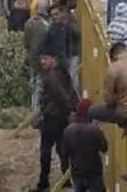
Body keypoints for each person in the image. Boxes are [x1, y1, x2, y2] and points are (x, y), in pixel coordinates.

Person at [36, 52, 78, 192]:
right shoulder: (63, 72)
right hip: (62, 118)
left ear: (53, 59)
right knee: (62, 149)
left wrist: (69, 111)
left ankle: (44, 182)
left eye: (45, 58)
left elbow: (60, 96)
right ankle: (66, 180)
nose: (42, 62)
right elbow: (71, 93)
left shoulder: (51, 76)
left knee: (46, 149)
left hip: (52, 117)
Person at [61, 99, 108, 192]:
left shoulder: (68, 130)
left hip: (77, 172)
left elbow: (64, 154)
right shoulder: (94, 129)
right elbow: (104, 148)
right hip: (94, 173)